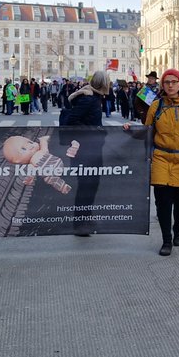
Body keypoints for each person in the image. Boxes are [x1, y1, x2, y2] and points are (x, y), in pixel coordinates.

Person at [140, 69, 179, 256]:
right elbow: (147, 133)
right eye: (166, 82)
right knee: (163, 202)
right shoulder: (156, 106)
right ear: (162, 85)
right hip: (161, 158)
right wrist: (129, 130)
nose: (170, 85)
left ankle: (177, 229)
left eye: (173, 82)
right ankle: (166, 239)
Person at [62, 70, 112, 236]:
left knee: (91, 185)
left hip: (92, 148)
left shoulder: (93, 97)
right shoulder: (88, 99)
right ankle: (80, 223)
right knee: (86, 185)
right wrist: (93, 131)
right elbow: (72, 121)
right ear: (102, 83)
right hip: (85, 150)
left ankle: (85, 217)